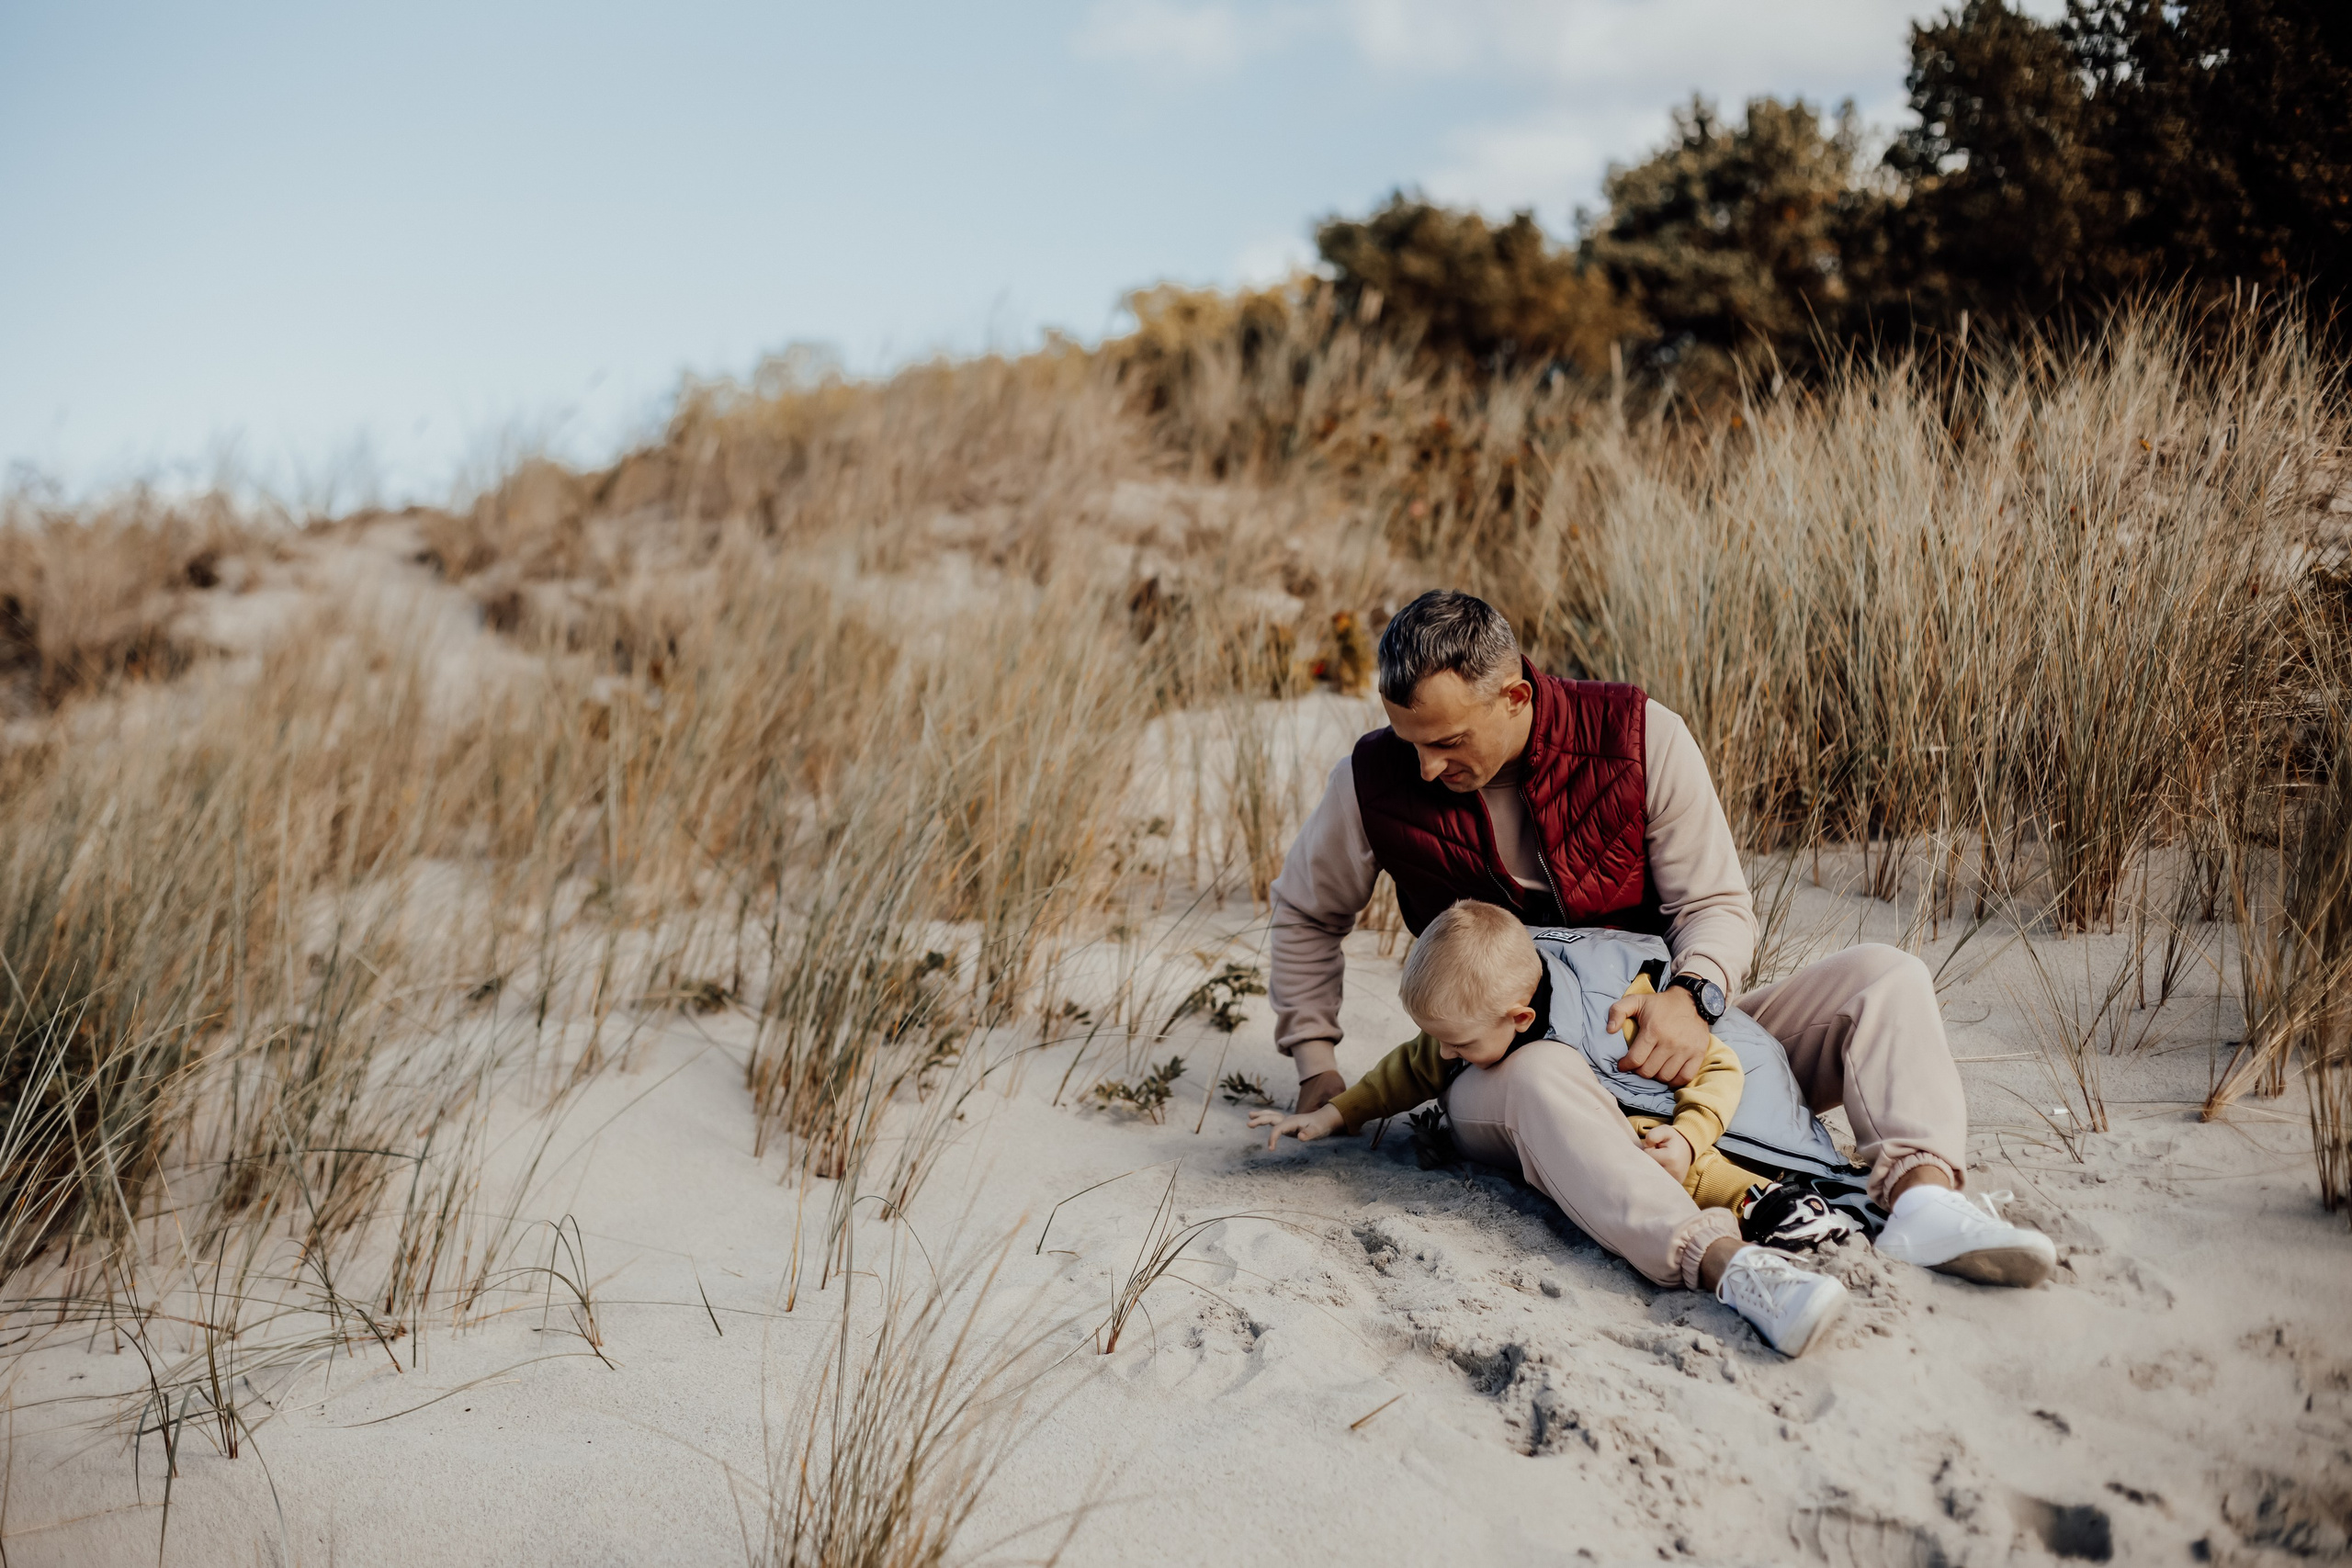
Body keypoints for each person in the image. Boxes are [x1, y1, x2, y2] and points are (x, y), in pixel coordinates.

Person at [1267, 589, 2055, 1291]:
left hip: (1663, 1039)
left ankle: (1923, 1199)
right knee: (1543, 1073)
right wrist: (1316, 1063)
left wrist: (1693, 996)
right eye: (1409, 739)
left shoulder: (1639, 735)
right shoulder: (1372, 779)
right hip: (1506, 1070)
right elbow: (1307, 911)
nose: (1426, 766)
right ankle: (1718, 1261)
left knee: (1885, 975)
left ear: (1514, 694)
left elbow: (1714, 904)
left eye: (1448, 742)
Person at [1253, 900, 1855, 1357]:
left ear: (1517, 1015)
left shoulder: (1607, 1009)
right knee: (1551, 1083)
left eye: (1455, 1041)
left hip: (1646, 1133)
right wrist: (1332, 1112)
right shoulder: (1467, 1032)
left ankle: (1776, 1206)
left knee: (1676, 1153)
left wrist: (1694, 1133)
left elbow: (1715, 1064)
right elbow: (1403, 1072)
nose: (1439, 1051)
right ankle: (1727, 1262)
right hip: (1504, 1117)